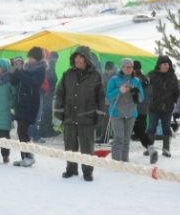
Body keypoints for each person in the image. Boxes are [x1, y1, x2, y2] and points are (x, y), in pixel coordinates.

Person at [53, 46, 105, 181]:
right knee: (69, 145)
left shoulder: (95, 76)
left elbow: (101, 97)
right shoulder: (67, 74)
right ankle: (71, 169)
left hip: (87, 118)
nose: (78, 60)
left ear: (87, 59)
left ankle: (88, 172)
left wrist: (100, 114)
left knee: (87, 147)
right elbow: (59, 93)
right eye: (76, 57)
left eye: (81, 57)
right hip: (69, 117)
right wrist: (58, 110)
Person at [9, 46, 46, 167]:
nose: (29, 60)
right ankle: (24, 157)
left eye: (32, 58)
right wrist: (13, 70)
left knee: (23, 130)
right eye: (29, 57)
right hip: (20, 104)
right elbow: (15, 82)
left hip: (30, 104)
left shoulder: (40, 70)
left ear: (37, 59)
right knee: (20, 131)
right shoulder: (25, 68)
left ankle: (29, 156)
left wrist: (18, 73)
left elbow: (33, 83)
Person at [105, 58, 144, 163]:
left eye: (130, 67)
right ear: (121, 67)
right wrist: (119, 90)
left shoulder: (136, 81)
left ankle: (125, 161)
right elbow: (108, 97)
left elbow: (141, 98)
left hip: (131, 113)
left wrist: (136, 93)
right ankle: (116, 162)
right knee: (119, 138)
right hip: (116, 113)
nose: (128, 69)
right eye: (126, 66)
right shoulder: (114, 80)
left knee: (126, 139)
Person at [147, 55, 180, 158]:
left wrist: (177, 104)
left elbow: (177, 91)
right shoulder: (151, 75)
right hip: (154, 106)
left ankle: (166, 149)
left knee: (166, 128)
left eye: (168, 64)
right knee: (151, 127)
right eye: (164, 64)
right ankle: (150, 148)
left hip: (168, 107)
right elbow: (143, 86)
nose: (166, 66)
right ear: (159, 65)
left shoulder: (172, 76)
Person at [130, 60, 157, 162]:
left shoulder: (135, 80)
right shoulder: (146, 79)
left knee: (129, 131)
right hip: (143, 110)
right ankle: (150, 148)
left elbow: (135, 97)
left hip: (134, 109)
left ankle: (122, 158)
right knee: (141, 132)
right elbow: (150, 95)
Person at [38, 50, 59, 138]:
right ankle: (46, 131)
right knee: (47, 111)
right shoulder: (50, 65)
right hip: (47, 92)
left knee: (46, 111)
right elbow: (51, 78)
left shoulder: (48, 64)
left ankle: (44, 130)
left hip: (46, 92)